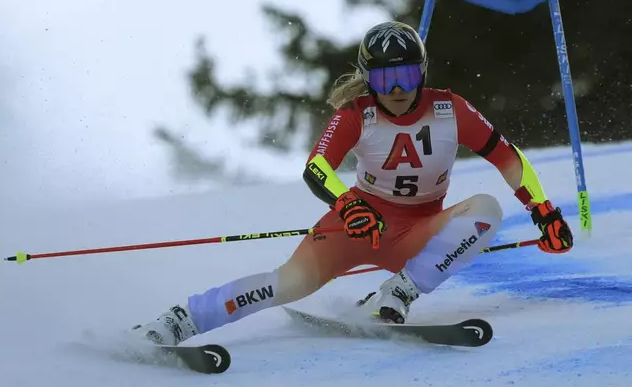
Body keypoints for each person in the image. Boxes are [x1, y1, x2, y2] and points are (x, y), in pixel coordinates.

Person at [132, 21, 573, 345]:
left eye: (406, 75)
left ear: (422, 72)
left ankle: (396, 294)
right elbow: (317, 167)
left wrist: (542, 209)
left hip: (417, 234)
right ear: (369, 79)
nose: (397, 88)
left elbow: (506, 156)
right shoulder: (356, 114)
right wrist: (348, 206)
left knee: (486, 210)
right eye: (384, 77)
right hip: (356, 226)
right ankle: (177, 321)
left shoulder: (449, 109)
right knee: (286, 283)